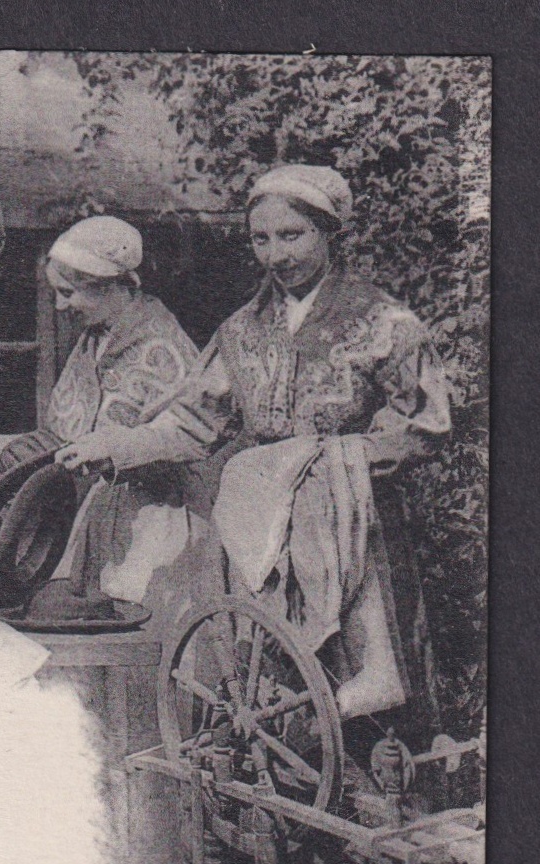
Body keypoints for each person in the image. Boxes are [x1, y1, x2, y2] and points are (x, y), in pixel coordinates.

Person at [55, 164, 450, 734]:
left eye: (292, 235)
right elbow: (195, 422)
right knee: (271, 682)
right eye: (261, 239)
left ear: (329, 232)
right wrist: (119, 446)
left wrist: (326, 461)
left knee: (366, 691)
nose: (276, 254)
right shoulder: (241, 330)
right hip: (260, 528)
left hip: (355, 525)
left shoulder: (385, 324)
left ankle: (384, 770)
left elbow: (427, 426)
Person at [0, 216, 201, 619]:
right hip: (97, 513)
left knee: (140, 627)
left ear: (107, 285)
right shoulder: (95, 339)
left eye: (68, 293)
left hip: (152, 523)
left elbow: (180, 443)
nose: (60, 306)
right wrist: (7, 444)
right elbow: (76, 433)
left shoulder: (162, 347)